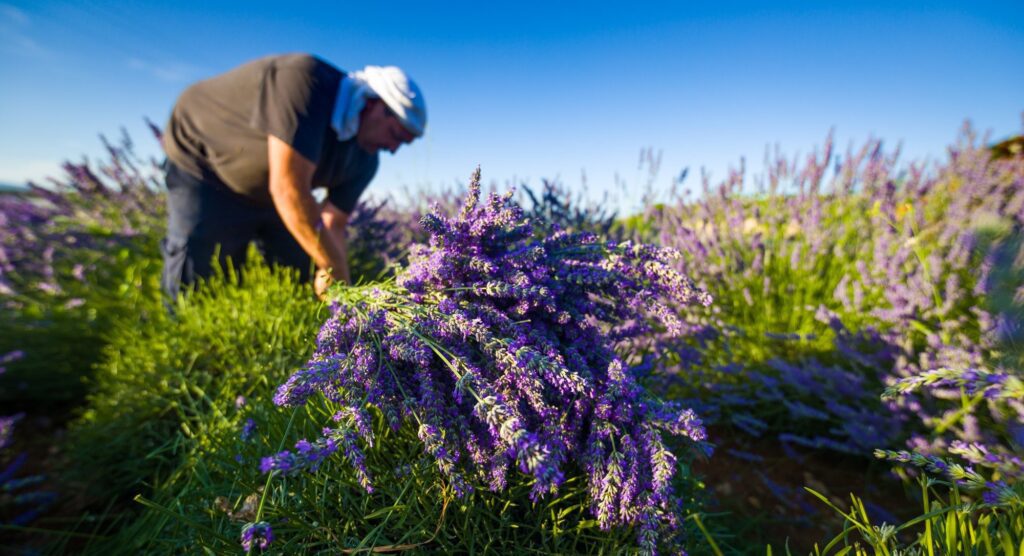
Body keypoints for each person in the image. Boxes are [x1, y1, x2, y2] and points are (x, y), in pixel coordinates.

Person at [159, 53, 425, 300]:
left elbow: (334, 225)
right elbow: (289, 189)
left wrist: (336, 282)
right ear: (374, 105)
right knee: (202, 271)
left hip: (274, 193)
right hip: (204, 164)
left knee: (299, 273)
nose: (393, 150)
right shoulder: (306, 81)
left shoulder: (366, 159)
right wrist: (336, 270)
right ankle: (187, 339)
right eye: (396, 136)